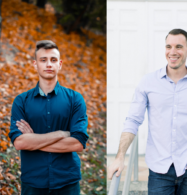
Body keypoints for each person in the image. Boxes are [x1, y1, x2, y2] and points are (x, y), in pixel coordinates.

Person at [108, 28, 187, 194]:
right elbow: (133, 120)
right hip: (160, 171)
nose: (173, 52)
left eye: (179, 46)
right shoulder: (148, 82)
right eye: (168, 46)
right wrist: (120, 156)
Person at [9, 40, 89, 195]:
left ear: (60, 64)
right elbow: (19, 143)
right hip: (33, 182)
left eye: (53, 60)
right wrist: (61, 134)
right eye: (43, 60)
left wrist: (33, 140)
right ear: (35, 64)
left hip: (67, 183)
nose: (48, 65)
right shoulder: (21, 101)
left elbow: (78, 144)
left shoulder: (75, 99)